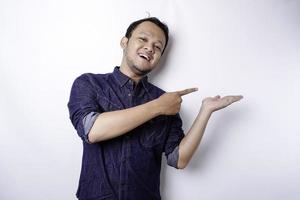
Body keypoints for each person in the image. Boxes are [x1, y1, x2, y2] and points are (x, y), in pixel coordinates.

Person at [67, 17, 243, 200]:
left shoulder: (168, 101)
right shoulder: (89, 83)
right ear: (124, 42)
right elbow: (92, 130)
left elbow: (179, 159)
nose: (150, 48)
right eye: (143, 39)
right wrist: (158, 106)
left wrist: (205, 111)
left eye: (157, 47)